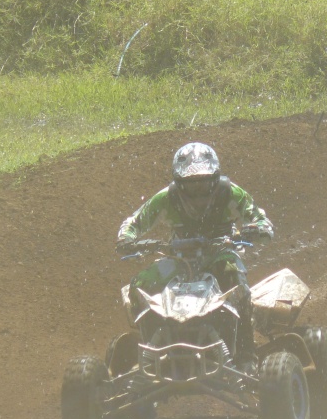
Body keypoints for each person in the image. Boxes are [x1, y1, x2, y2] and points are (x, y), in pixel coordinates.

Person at [116, 142, 274, 361]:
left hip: (220, 251)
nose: (198, 192)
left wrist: (257, 229)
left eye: (203, 183)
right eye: (191, 185)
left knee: (234, 278)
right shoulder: (166, 197)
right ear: (179, 183)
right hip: (178, 257)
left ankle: (246, 354)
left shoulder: (229, 192)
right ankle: (150, 349)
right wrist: (127, 238)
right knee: (140, 284)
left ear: (215, 178)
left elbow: (259, 217)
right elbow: (134, 222)